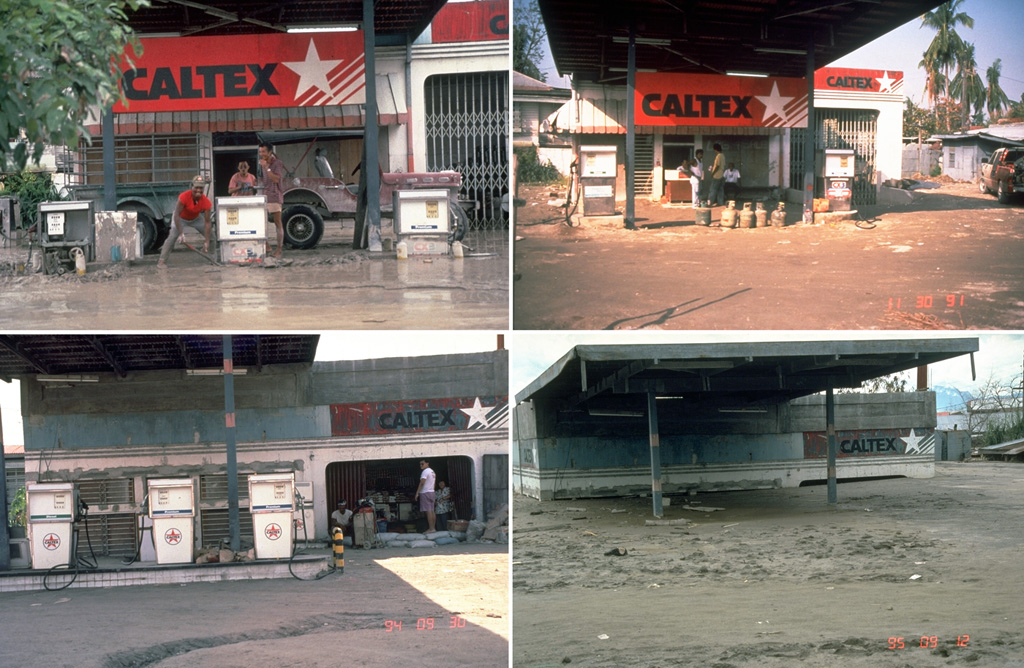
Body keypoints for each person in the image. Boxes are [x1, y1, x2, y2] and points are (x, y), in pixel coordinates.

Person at [157, 175, 212, 269]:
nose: (198, 190)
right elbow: (177, 215)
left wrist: (207, 241)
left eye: (201, 188)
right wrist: (181, 233)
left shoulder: (206, 202)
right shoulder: (183, 197)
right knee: (172, 237)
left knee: (212, 235)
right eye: (196, 187)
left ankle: (211, 258)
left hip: (196, 218)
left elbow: (207, 222)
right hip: (180, 218)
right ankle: (161, 261)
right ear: (192, 187)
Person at [258, 142, 285, 258]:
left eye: (263, 152)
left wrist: (266, 168)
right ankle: (267, 245)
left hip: (275, 195)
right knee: (260, 222)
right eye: (260, 152)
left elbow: (275, 179)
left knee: (277, 223)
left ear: (270, 152)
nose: (261, 154)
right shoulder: (263, 163)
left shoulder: (277, 163)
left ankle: (279, 249)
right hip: (265, 196)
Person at [414, 459, 436, 533]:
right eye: (420, 464)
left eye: (422, 464)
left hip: (425, 492)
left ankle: (431, 528)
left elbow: (422, 483)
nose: (421, 465)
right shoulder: (432, 471)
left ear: (427, 463)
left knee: (428, 511)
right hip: (431, 492)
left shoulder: (425, 471)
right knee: (432, 510)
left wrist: (417, 493)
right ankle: (433, 527)